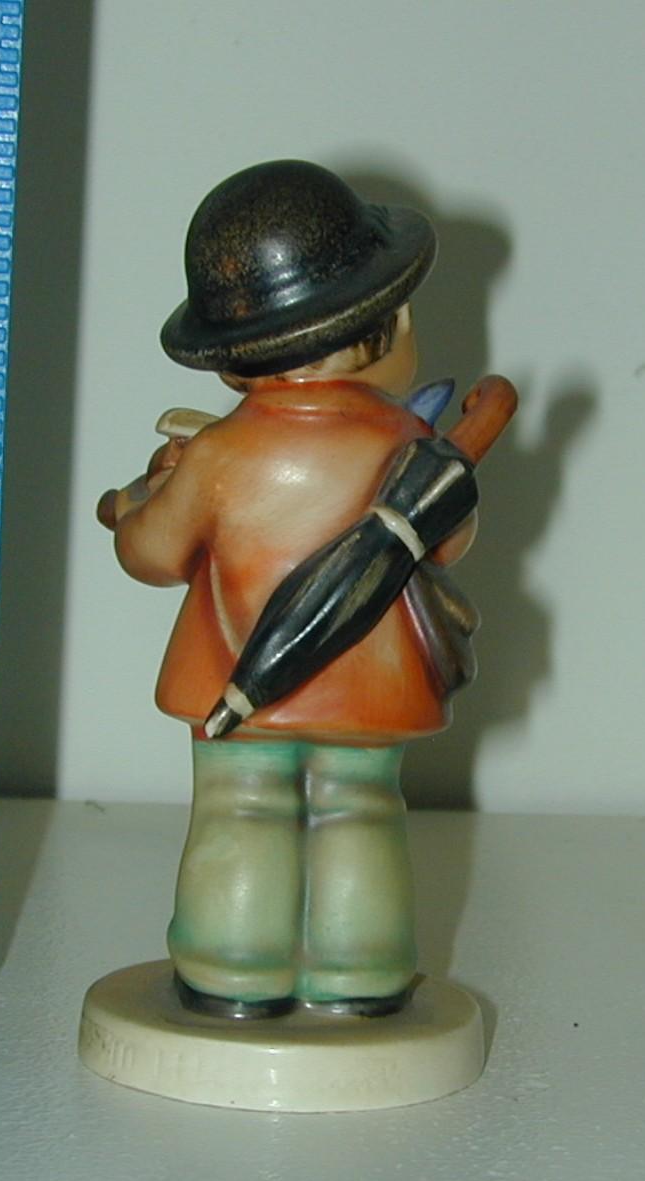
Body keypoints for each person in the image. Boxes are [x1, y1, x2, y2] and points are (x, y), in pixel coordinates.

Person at [102, 160, 478, 1018]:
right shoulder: (408, 444)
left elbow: (152, 556)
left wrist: (138, 506)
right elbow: (450, 540)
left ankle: (231, 968)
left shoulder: (217, 457)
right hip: (373, 689)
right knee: (362, 809)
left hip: (235, 684)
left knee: (241, 808)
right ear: (393, 324)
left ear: (232, 360)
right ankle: (361, 971)